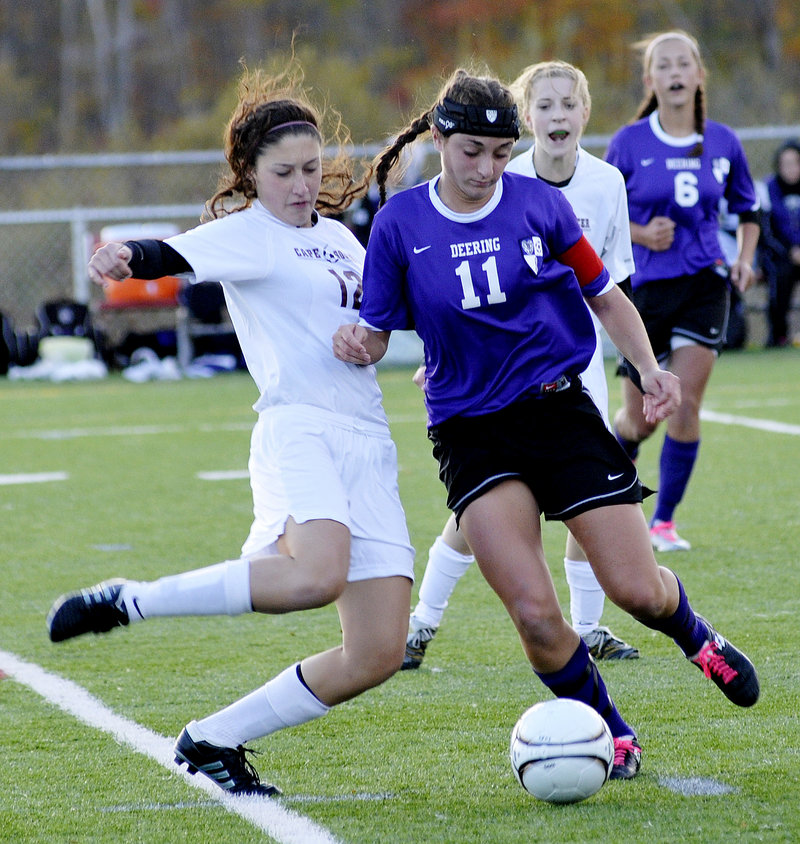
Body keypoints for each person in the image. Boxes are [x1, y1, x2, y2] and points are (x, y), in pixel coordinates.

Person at [333, 67, 759, 781]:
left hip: (560, 410)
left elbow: (607, 295)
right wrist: (360, 343)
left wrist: (650, 370)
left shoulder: (540, 206)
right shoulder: (400, 222)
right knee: (534, 614)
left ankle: (695, 635)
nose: (487, 169)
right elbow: (376, 330)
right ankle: (612, 732)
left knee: (636, 589)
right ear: (439, 138)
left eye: (501, 154)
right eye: (471, 151)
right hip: (471, 430)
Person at [46, 65, 415, 797]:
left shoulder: (343, 239)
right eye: (284, 172)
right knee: (316, 575)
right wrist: (126, 257)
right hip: (299, 428)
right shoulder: (247, 234)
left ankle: (214, 738)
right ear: (249, 172)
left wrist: (371, 343)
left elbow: (375, 329)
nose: (302, 184)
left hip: (366, 440)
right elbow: (171, 256)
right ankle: (131, 599)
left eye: (312, 168)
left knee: (376, 652)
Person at [403, 60, 640, 670]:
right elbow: (455, 287)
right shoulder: (500, 182)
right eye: (545, 105)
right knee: (481, 514)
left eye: (569, 104)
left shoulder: (606, 182)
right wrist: (448, 355)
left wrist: (641, 367)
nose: (557, 115)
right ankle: (421, 623)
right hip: (492, 380)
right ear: (526, 117)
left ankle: (587, 629)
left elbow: (612, 287)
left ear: (586, 113)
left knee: (588, 512)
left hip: (570, 371)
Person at [605, 30, 760, 552]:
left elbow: (748, 209)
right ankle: (613, 469)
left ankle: (663, 523)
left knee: (685, 402)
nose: (674, 73)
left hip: (703, 283)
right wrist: (641, 232)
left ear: (698, 75)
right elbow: (601, 216)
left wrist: (743, 259)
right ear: (650, 80)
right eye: (662, 65)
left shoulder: (723, 141)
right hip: (643, 291)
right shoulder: (629, 142)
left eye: (683, 64)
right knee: (641, 419)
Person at [757, 138, 800, 347]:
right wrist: (790, 251)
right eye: (786, 164)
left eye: (795, 163)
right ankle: (778, 335)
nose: (791, 169)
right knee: (781, 274)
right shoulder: (768, 189)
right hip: (780, 255)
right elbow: (766, 232)